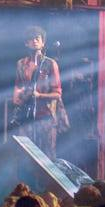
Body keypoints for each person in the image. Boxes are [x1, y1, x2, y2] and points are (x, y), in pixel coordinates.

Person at [11, 25, 67, 156]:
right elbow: (18, 86)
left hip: (45, 117)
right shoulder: (21, 64)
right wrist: (17, 97)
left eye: (37, 38)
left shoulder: (50, 64)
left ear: (43, 43)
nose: (34, 41)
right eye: (31, 39)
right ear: (26, 43)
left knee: (46, 155)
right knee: (26, 154)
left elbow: (57, 93)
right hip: (26, 117)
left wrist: (39, 95)